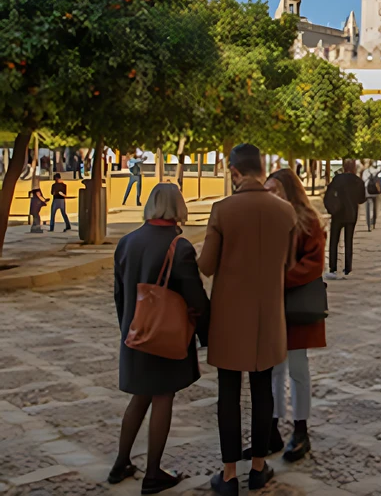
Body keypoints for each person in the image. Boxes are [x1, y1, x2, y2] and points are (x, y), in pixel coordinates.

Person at [198, 143, 297, 495]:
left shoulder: (222, 210)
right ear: (261, 168)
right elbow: (288, 264)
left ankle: (228, 475)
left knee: (228, 393)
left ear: (235, 172)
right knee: (262, 390)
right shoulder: (285, 211)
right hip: (268, 315)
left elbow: (207, 265)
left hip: (229, 316)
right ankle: (257, 468)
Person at [110, 184, 209, 494]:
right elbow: (195, 298)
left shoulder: (127, 242)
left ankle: (120, 463)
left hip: (135, 332)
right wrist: (206, 333)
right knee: (163, 396)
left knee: (139, 397)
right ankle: (153, 474)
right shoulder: (179, 246)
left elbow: (119, 293)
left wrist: (127, 329)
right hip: (165, 335)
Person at [261, 169, 326, 463]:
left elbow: (314, 262)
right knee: (274, 368)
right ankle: (272, 428)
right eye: (266, 190)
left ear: (288, 190)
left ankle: (301, 430)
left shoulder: (308, 221)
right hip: (272, 305)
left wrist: (278, 278)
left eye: (274, 189)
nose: (269, 195)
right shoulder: (264, 219)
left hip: (297, 306)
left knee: (297, 368)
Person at [324, 159, 366, 278]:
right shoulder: (358, 181)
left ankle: (333, 268)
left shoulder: (337, 179)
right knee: (349, 241)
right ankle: (347, 268)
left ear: (343, 166)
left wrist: (331, 208)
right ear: (354, 168)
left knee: (334, 241)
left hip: (337, 213)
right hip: (351, 214)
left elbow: (328, 195)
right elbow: (361, 199)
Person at [362, 160, 381, 231]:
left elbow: (363, 180)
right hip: (376, 192)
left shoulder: (366, 171)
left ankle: (368, 224)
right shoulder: (377, 171)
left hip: (367, 192)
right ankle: (373, 222)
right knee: (375, 208)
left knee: (368, 208)